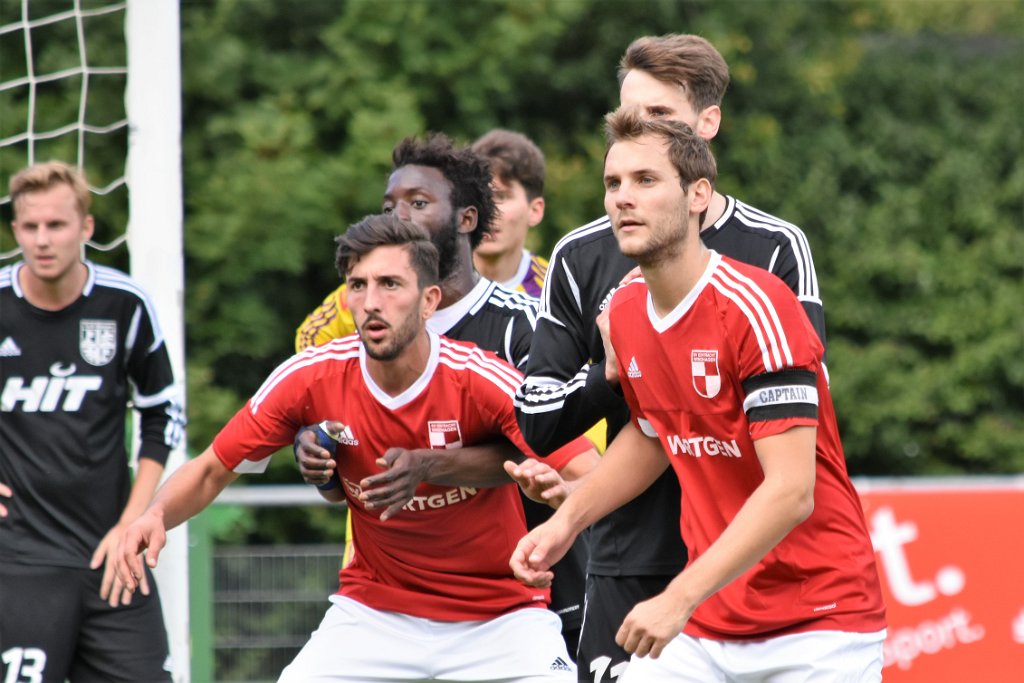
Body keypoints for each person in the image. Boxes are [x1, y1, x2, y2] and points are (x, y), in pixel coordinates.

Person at [116, 214, 592, 682]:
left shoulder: (482, 378)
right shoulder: (310, 377)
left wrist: (559, 496)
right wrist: (154, 516)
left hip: (500, 617)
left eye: (390, 284)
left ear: (429, 301)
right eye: (358, 285)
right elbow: (210, 470)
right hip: (374, 615)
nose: (370, 302)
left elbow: (592, 474)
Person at [512, 108, 886, 681]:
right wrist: (566, 522)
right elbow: (654, 433)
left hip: (818, 623)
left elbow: (791, 492)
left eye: (645, 180)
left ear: (698, 195)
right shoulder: (628, 311)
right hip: (712, 622)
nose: (622, 198)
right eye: (613, 183)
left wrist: (678, 595)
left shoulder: (758, 306)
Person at [293, 133, 597, 656]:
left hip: (523, 587)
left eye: (417, 203)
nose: (400, 216)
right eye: (390, 205)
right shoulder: (357, 317)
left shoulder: (529, 324)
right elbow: (310, 392)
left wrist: (428, 464)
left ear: (467, 219)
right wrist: (313, 439)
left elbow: (560, 449)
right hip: (390, 592)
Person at [0, 161, 184, 682]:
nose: (42, 239)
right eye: (30, 226)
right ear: (15, 230)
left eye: (56, 225)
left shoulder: (124, 304)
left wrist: (132, 522)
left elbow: (162, 412)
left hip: (112, 558)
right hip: (18, 561)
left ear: (86, 227)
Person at [470, 129, 549, 297]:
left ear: (535, 211)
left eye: (501, 196)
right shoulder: (433, 284)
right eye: (480, 195)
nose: (487, 210)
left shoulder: (553, 291)